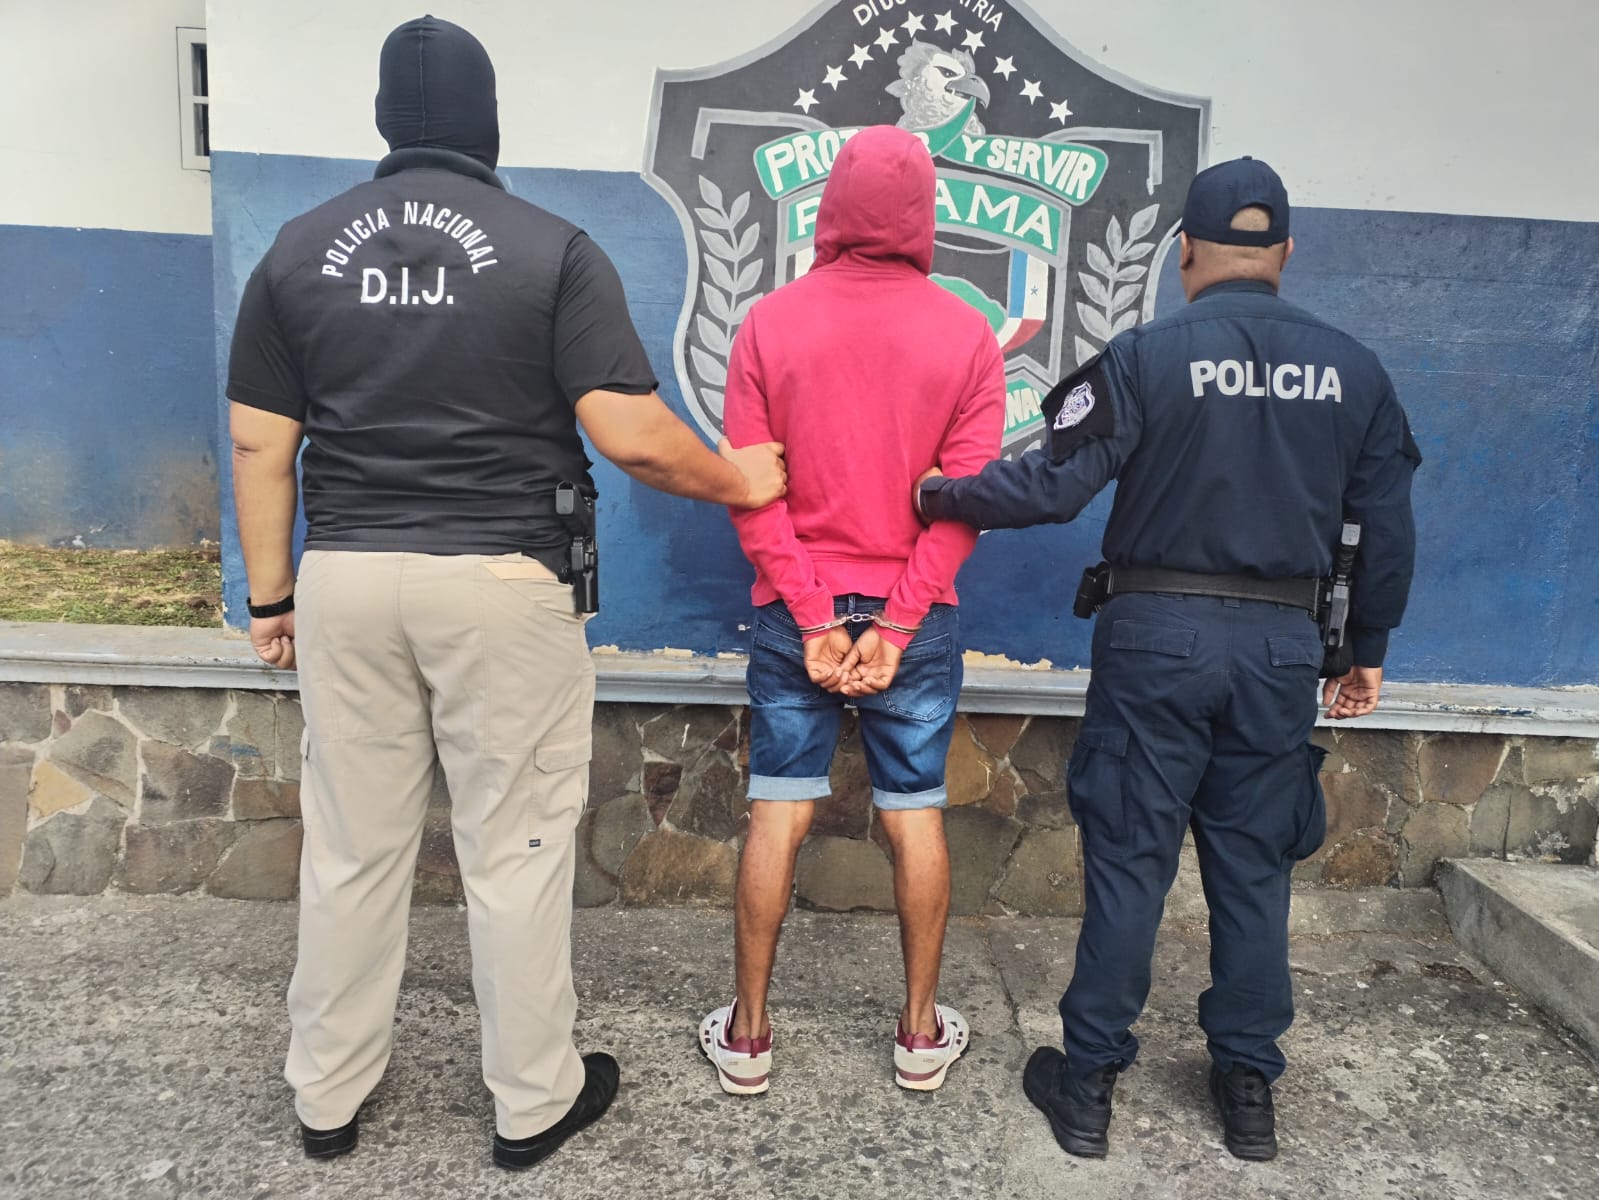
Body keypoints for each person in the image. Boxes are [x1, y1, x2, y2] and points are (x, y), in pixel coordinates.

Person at [227, 16, 785, 1170]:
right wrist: (739, 477)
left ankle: (326, 1096)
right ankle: (532, 1104)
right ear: (487, 122)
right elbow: (628, 431)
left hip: (347, 575)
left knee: (350, 849)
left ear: (385, 119)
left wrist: (271, 600)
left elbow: (257, 445)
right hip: (501, 580)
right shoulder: (551, 248)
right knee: (515, 849)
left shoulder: (294, 252)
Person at [916, 157, 1420, 1160]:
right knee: (1254, 866)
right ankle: (1247, 1092)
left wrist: (937, 494)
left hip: (1154, 640)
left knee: (1129, 861)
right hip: (1281, 647)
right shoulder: (1355, 371)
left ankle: (1088, 1087)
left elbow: (1051, 488)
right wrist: (1365, 650)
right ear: (1285, 253)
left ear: (1182, 251)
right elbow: (1389, 532)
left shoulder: (1146, 355)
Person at [700, 124, 1005, 1097]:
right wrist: (900, 623)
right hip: (916, 619)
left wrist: (814, 616)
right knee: (912, 816)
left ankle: (748, 1037)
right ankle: (919, 1033)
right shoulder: (967, 335)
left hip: (797, 612)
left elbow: (752, 494)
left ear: (832, 206)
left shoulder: (768, 324)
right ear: (922, 215)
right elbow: (965, 505)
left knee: (777, 811)